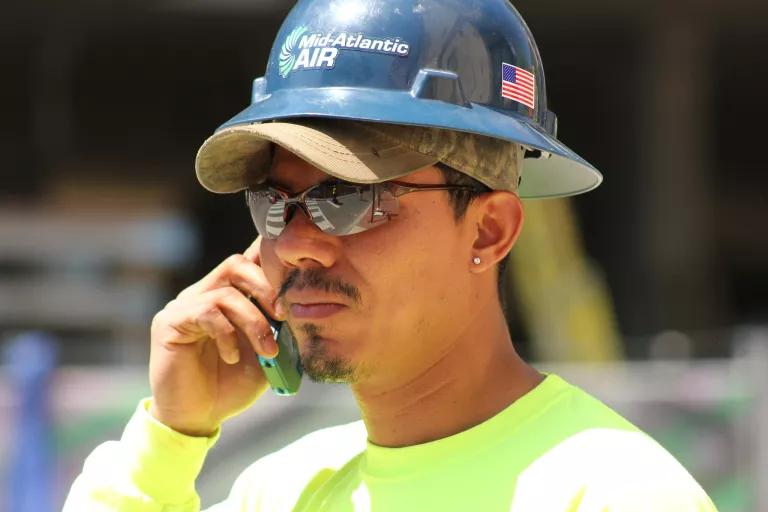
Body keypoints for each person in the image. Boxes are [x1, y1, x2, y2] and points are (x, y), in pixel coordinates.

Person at [64, 0, 718, 510]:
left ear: (489, 232)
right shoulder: (284, 490)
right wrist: (169, 438)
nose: (293, 242)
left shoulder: (613, 495)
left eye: (348, 197)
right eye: (274, 201)